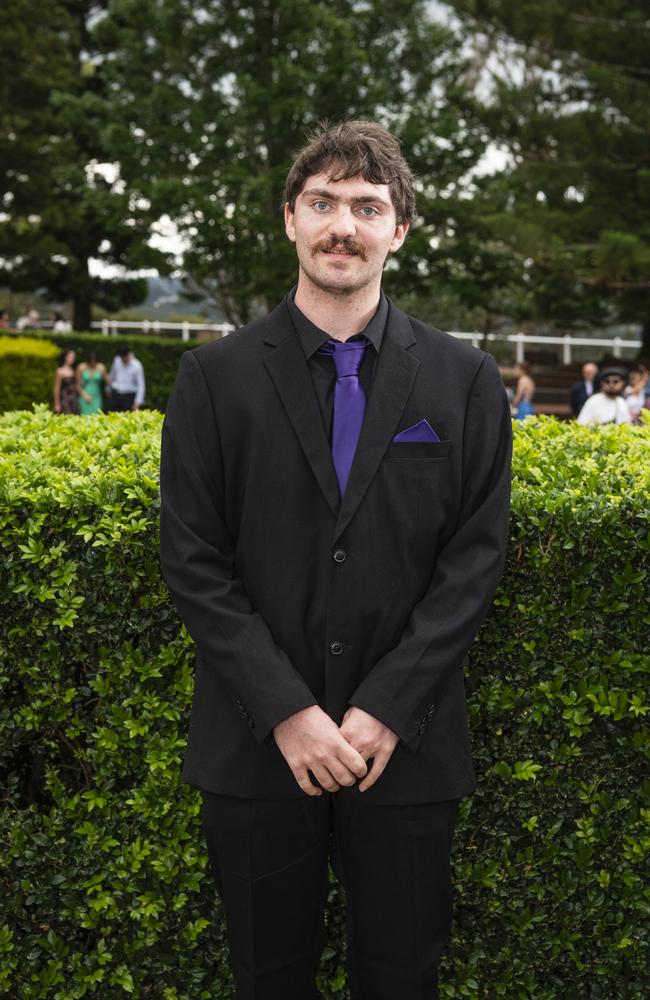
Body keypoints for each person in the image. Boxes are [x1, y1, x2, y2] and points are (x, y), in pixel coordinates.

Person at [159, 120, 512, 1000]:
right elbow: (194, 561)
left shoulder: (465, 381)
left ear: (399, 231)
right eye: (322, 203)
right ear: (289, 220)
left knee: (401, 978)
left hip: (408, 747)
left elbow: (474, 559)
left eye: (366, 205)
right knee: (265, 979)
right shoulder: (214, 380)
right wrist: (288, 713)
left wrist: (385, 709)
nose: (341, 224)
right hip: (255, 748)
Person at [107, 346, 145, 411]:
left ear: (128, 355)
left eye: (123, 358)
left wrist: (137, 402)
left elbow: (141, 385)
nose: (122, 360)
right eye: (121, 358)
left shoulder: (137, 365)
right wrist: (108, 389)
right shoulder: (117, 360)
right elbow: (112, 375)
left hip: (129, 397)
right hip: (116, 395)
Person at [53, 349, 79, 414]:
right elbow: (57, 388)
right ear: (65, 357)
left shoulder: (73, 370)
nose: (72, 359)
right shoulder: (60, 371)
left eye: (73, 357)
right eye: (70, 357)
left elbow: (76, 386)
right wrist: (57, 404)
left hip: (73, 399)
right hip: (64, 400)